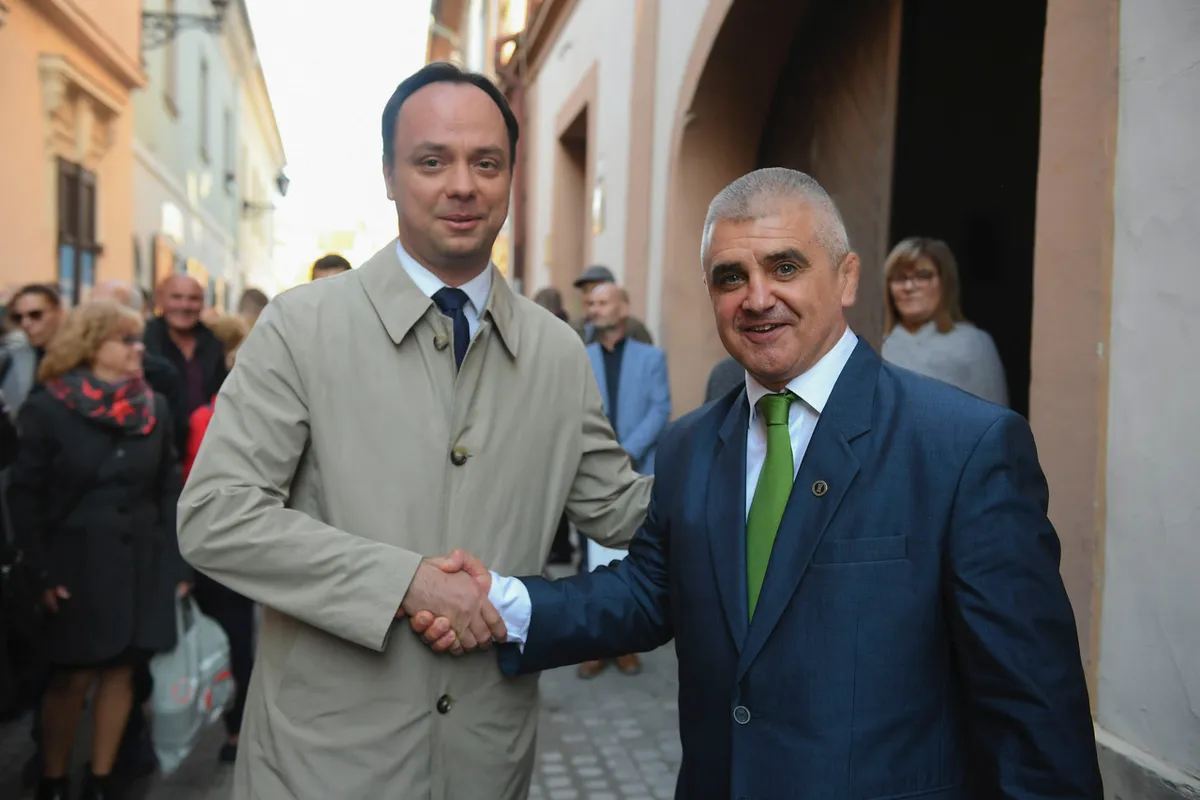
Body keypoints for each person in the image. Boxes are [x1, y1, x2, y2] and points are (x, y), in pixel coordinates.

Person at [415, 168, 1103, 799]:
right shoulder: (690, 445)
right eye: (730, 277)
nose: (757, 297)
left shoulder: (963, 447)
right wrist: (502, 601)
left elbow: (1033, 712)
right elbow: (650, 592)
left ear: (847, 278)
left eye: (785, 267)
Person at [176, 62, 651, 800]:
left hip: (485, 764)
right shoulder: (303, 326)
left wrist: (764, 440)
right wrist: (406, 583)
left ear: (511, 177)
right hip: (322, 766)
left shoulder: (557, 351)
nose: (462, 185)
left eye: (486, 163)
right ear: (389, 176)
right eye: (432, 161)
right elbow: (216, 516)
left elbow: (621, 510)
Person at [7, 301, 187, 800]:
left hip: (140, 563)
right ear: (91, 346)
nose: (138, 349)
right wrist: (41, 573)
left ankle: (102, 779)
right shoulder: (48, 407)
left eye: (138, 339)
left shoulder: (154, 406)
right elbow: (25, 497)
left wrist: (176, 563)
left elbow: (168, 488)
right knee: (72, 676)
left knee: (123, 671)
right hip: (74, 566)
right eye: (125, 340)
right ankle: (54, 778)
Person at [577, 282, 670, 678]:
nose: (595, 309)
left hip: (636, 472)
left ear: (623, 308)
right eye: (591, 303)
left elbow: (660, 409)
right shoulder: (579, 357)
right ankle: (595, 645)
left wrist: (626, 451)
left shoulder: (651, 358)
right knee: (591, 566)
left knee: (634, 562)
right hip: (589, 477)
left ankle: (627, 643)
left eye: (603, 302)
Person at [881, 237, 1008, 406]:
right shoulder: (874, 344)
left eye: (923, 276)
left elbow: (996, 415)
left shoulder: (973, 343)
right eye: (900, 278)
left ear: (944, 283)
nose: (909, 287)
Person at [570, 264, 654, 345]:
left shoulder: (633, 328)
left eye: (596, 289)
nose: (589, 296)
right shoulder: (574, 327)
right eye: (585, 290)